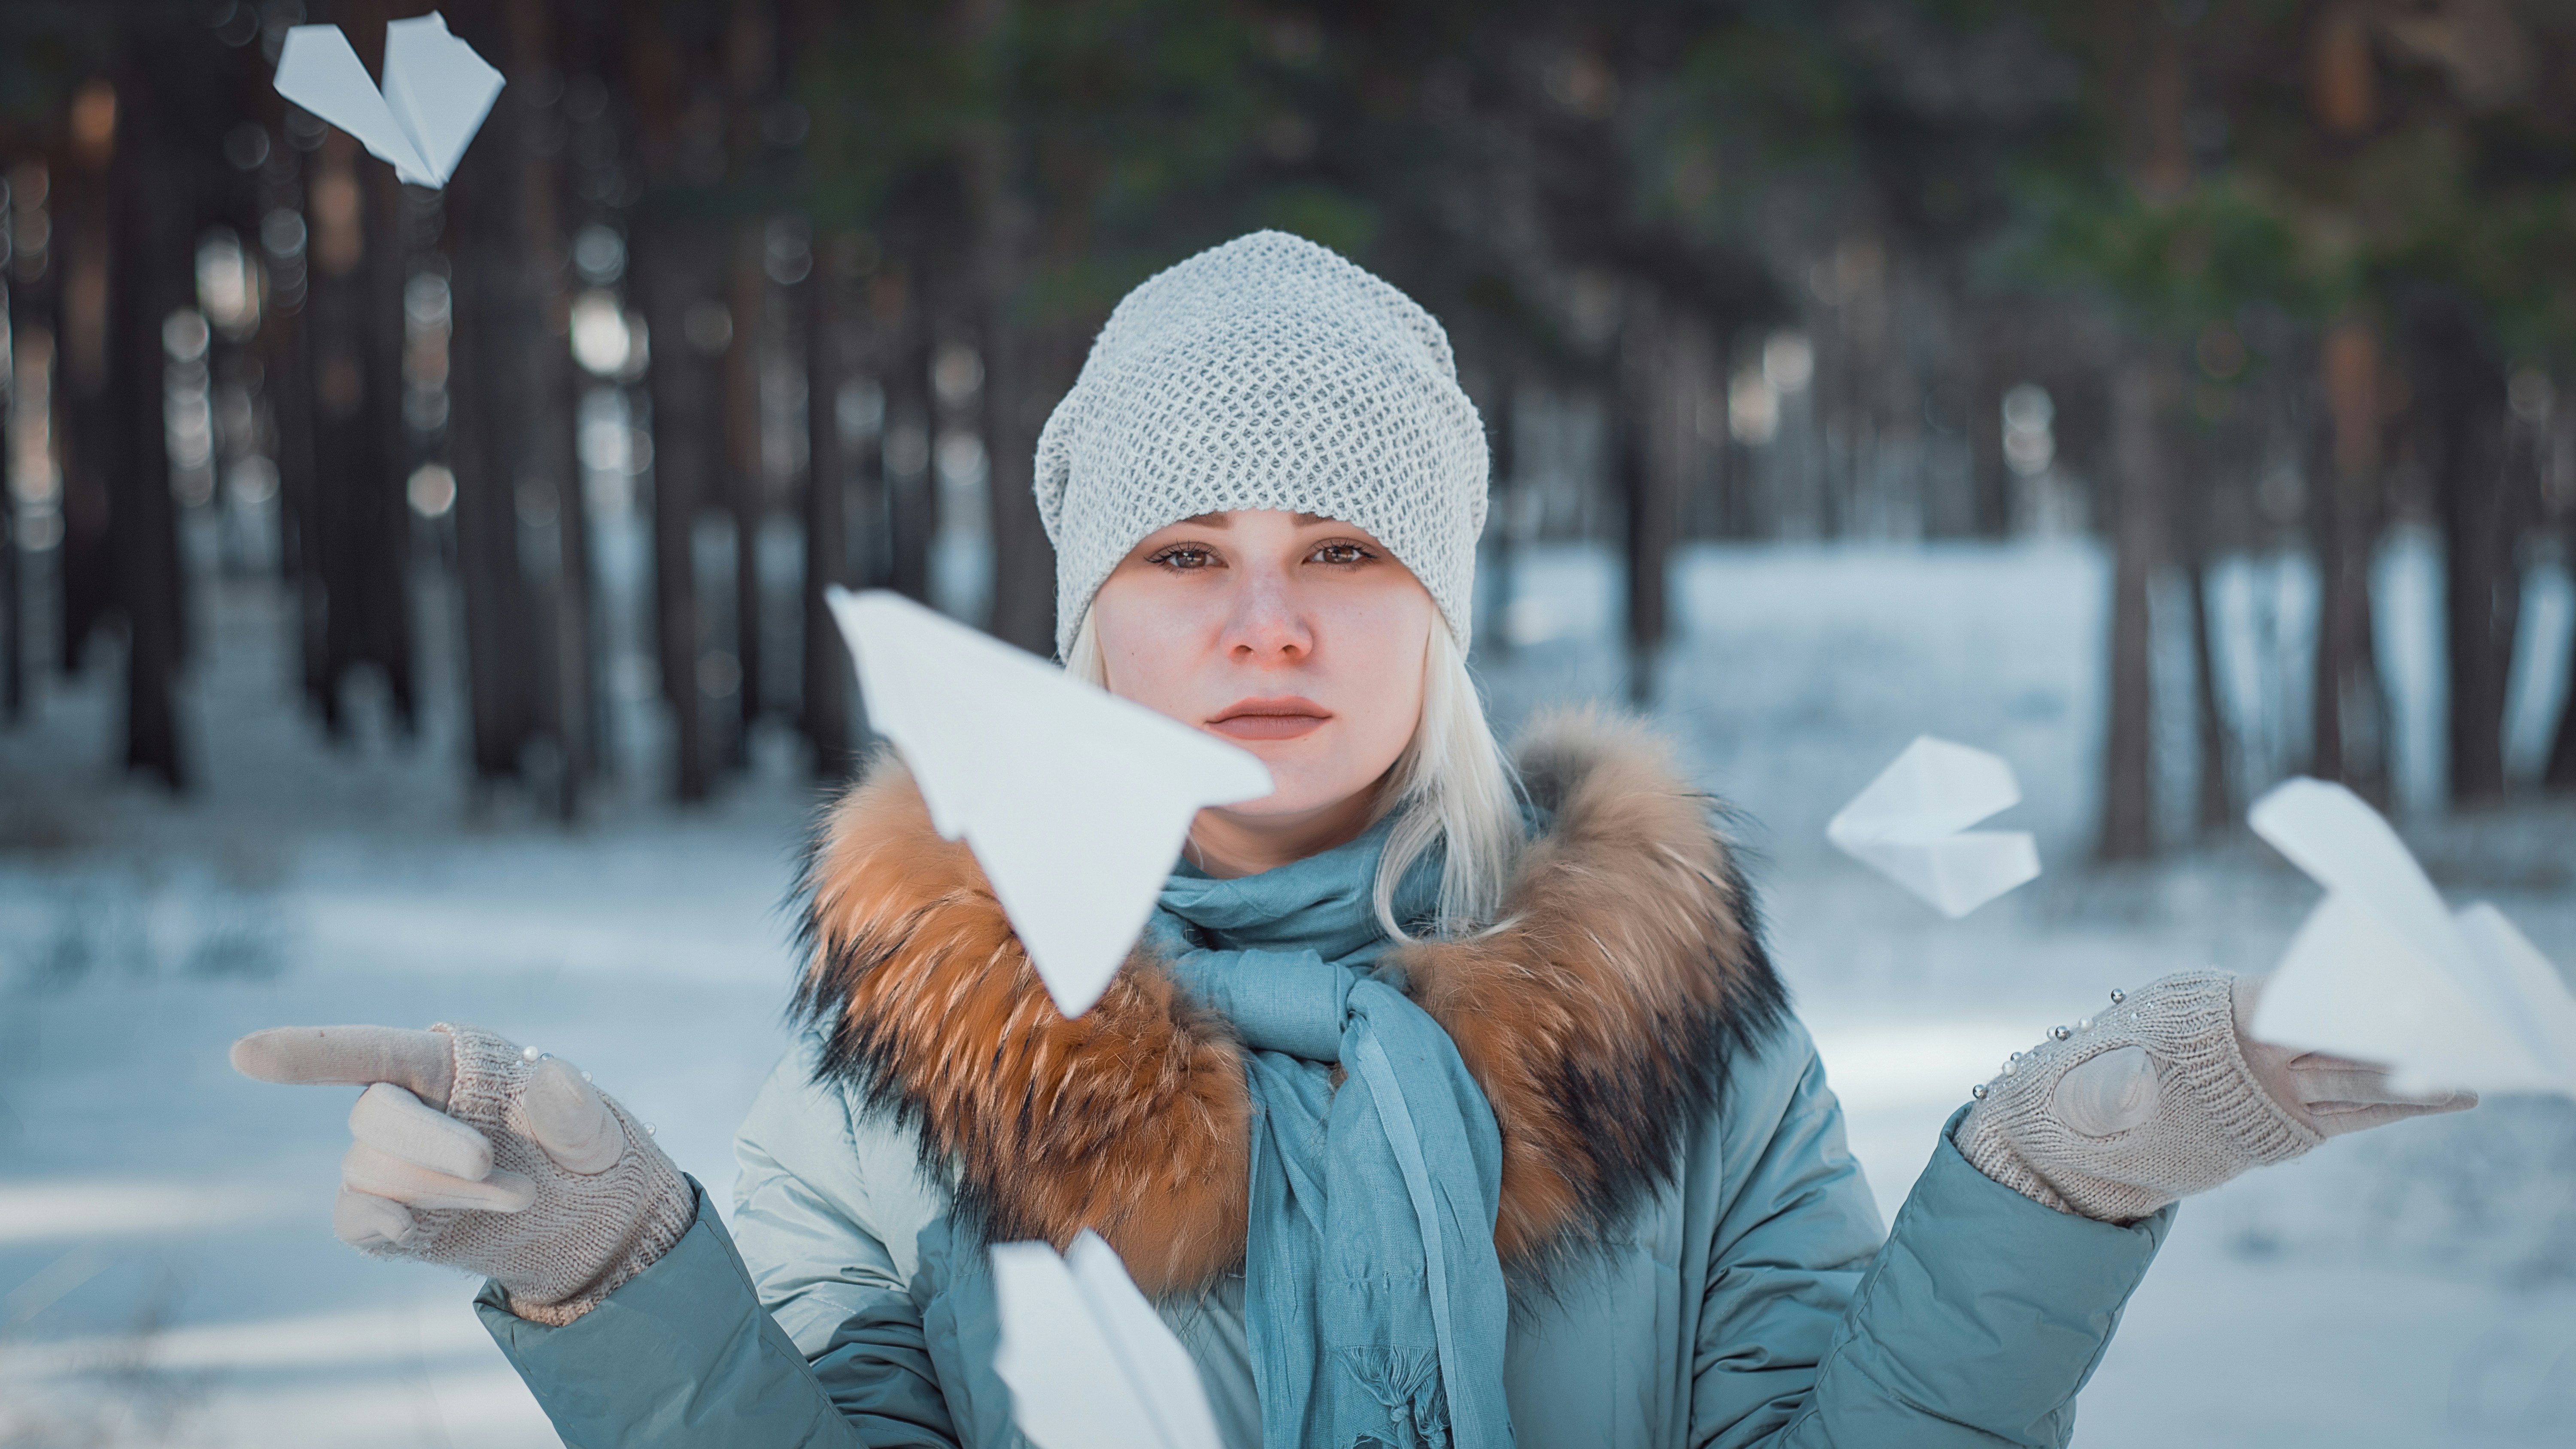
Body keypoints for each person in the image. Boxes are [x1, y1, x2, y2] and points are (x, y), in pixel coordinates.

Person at [232, 231, 2471, 1449]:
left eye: (1348, 550)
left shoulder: (1679, 1033)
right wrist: (622, 1276)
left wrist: (2048, 1187)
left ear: (1449, 613)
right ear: (1086, 620)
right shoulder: (908, 1056)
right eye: (1189, 554)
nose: (1272, 618)